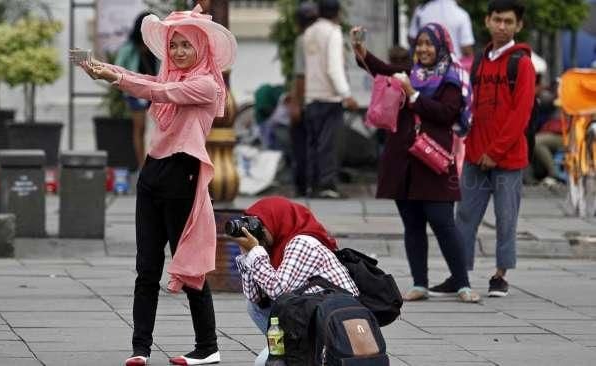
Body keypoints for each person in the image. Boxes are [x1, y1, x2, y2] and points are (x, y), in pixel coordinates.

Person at [73, 5, 237, 365]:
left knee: (190, 266)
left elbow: (157, 92)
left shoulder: (207, 85)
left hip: (184, 175)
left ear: (201, 48)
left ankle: (208, 346)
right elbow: (152, 83)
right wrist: (105, 69)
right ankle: (140, 349)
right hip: (153, 173)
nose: (178, 51)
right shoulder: (171, 78)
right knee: (146, 267)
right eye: (173, 44)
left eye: (185, 45)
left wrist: (114, 78)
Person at [351, 22, 479, 303]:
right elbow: (381, 71)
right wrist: (361, 50)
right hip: (403, 162)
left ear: (442, 46)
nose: (423, 49)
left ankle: (463, 283)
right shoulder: (411, 73)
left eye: (429, 44)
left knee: (443, 222)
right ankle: (420, 283)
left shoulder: (452, 78)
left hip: (434, 163)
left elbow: (446, 114)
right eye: (419, 43)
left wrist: (414, 95)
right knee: (412, 223)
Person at [431, 0, 536, 298]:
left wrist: (496, 151)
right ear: (488, 21)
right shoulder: (478, 61)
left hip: (509, 159)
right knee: (464, 216)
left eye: (509, 22)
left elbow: (521, 115)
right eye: (497, 20)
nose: (502, 26)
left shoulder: (522, 64)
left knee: (506, 218)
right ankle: (459, 275)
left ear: (518, 26)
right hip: (476, 155)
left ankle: (500, 275)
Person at [232, 196, 359, 365]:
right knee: (254, 306)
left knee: (262, 363)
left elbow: (279, 292)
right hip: (312, 315)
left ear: (277, 220)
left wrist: (255, 252)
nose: (256, 232)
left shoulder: (301, 242)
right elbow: (255, 298)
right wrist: (246, 253)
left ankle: (299, 354)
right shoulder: (275, 246)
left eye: (259, 226)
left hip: (336, 326)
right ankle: (294, 351)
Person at [303, 0, 358, 199]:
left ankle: (313, 185)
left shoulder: (309, 32)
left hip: (311, 97)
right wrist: (346, 94)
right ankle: (327, 186)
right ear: (337, 13)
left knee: (314, 144)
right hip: (329, 97)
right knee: (329, 144)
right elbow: (333, 68)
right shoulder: (333, 32)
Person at [115, 12, 160, 169]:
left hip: (156, 90)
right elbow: (118, 67)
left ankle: (155, 161)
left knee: (160, 128)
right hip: (136, 91)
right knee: (139, 127)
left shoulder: (157, 45)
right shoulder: (129, 47)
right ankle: (142, 165)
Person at [288, 1, 318, 197]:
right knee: (317, 145)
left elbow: (300, 75)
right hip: (321, 99)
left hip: (307, 100)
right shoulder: (326, 36)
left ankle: (301, 185)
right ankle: (314, 184)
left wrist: (296, 103)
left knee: (301, 145)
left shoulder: (302, 40)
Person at [408, 0, 475, 68]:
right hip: (453, 67)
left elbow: (412, 39)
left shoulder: (421, 11)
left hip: (426, 67)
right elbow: (466, 47)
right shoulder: (462, 14)